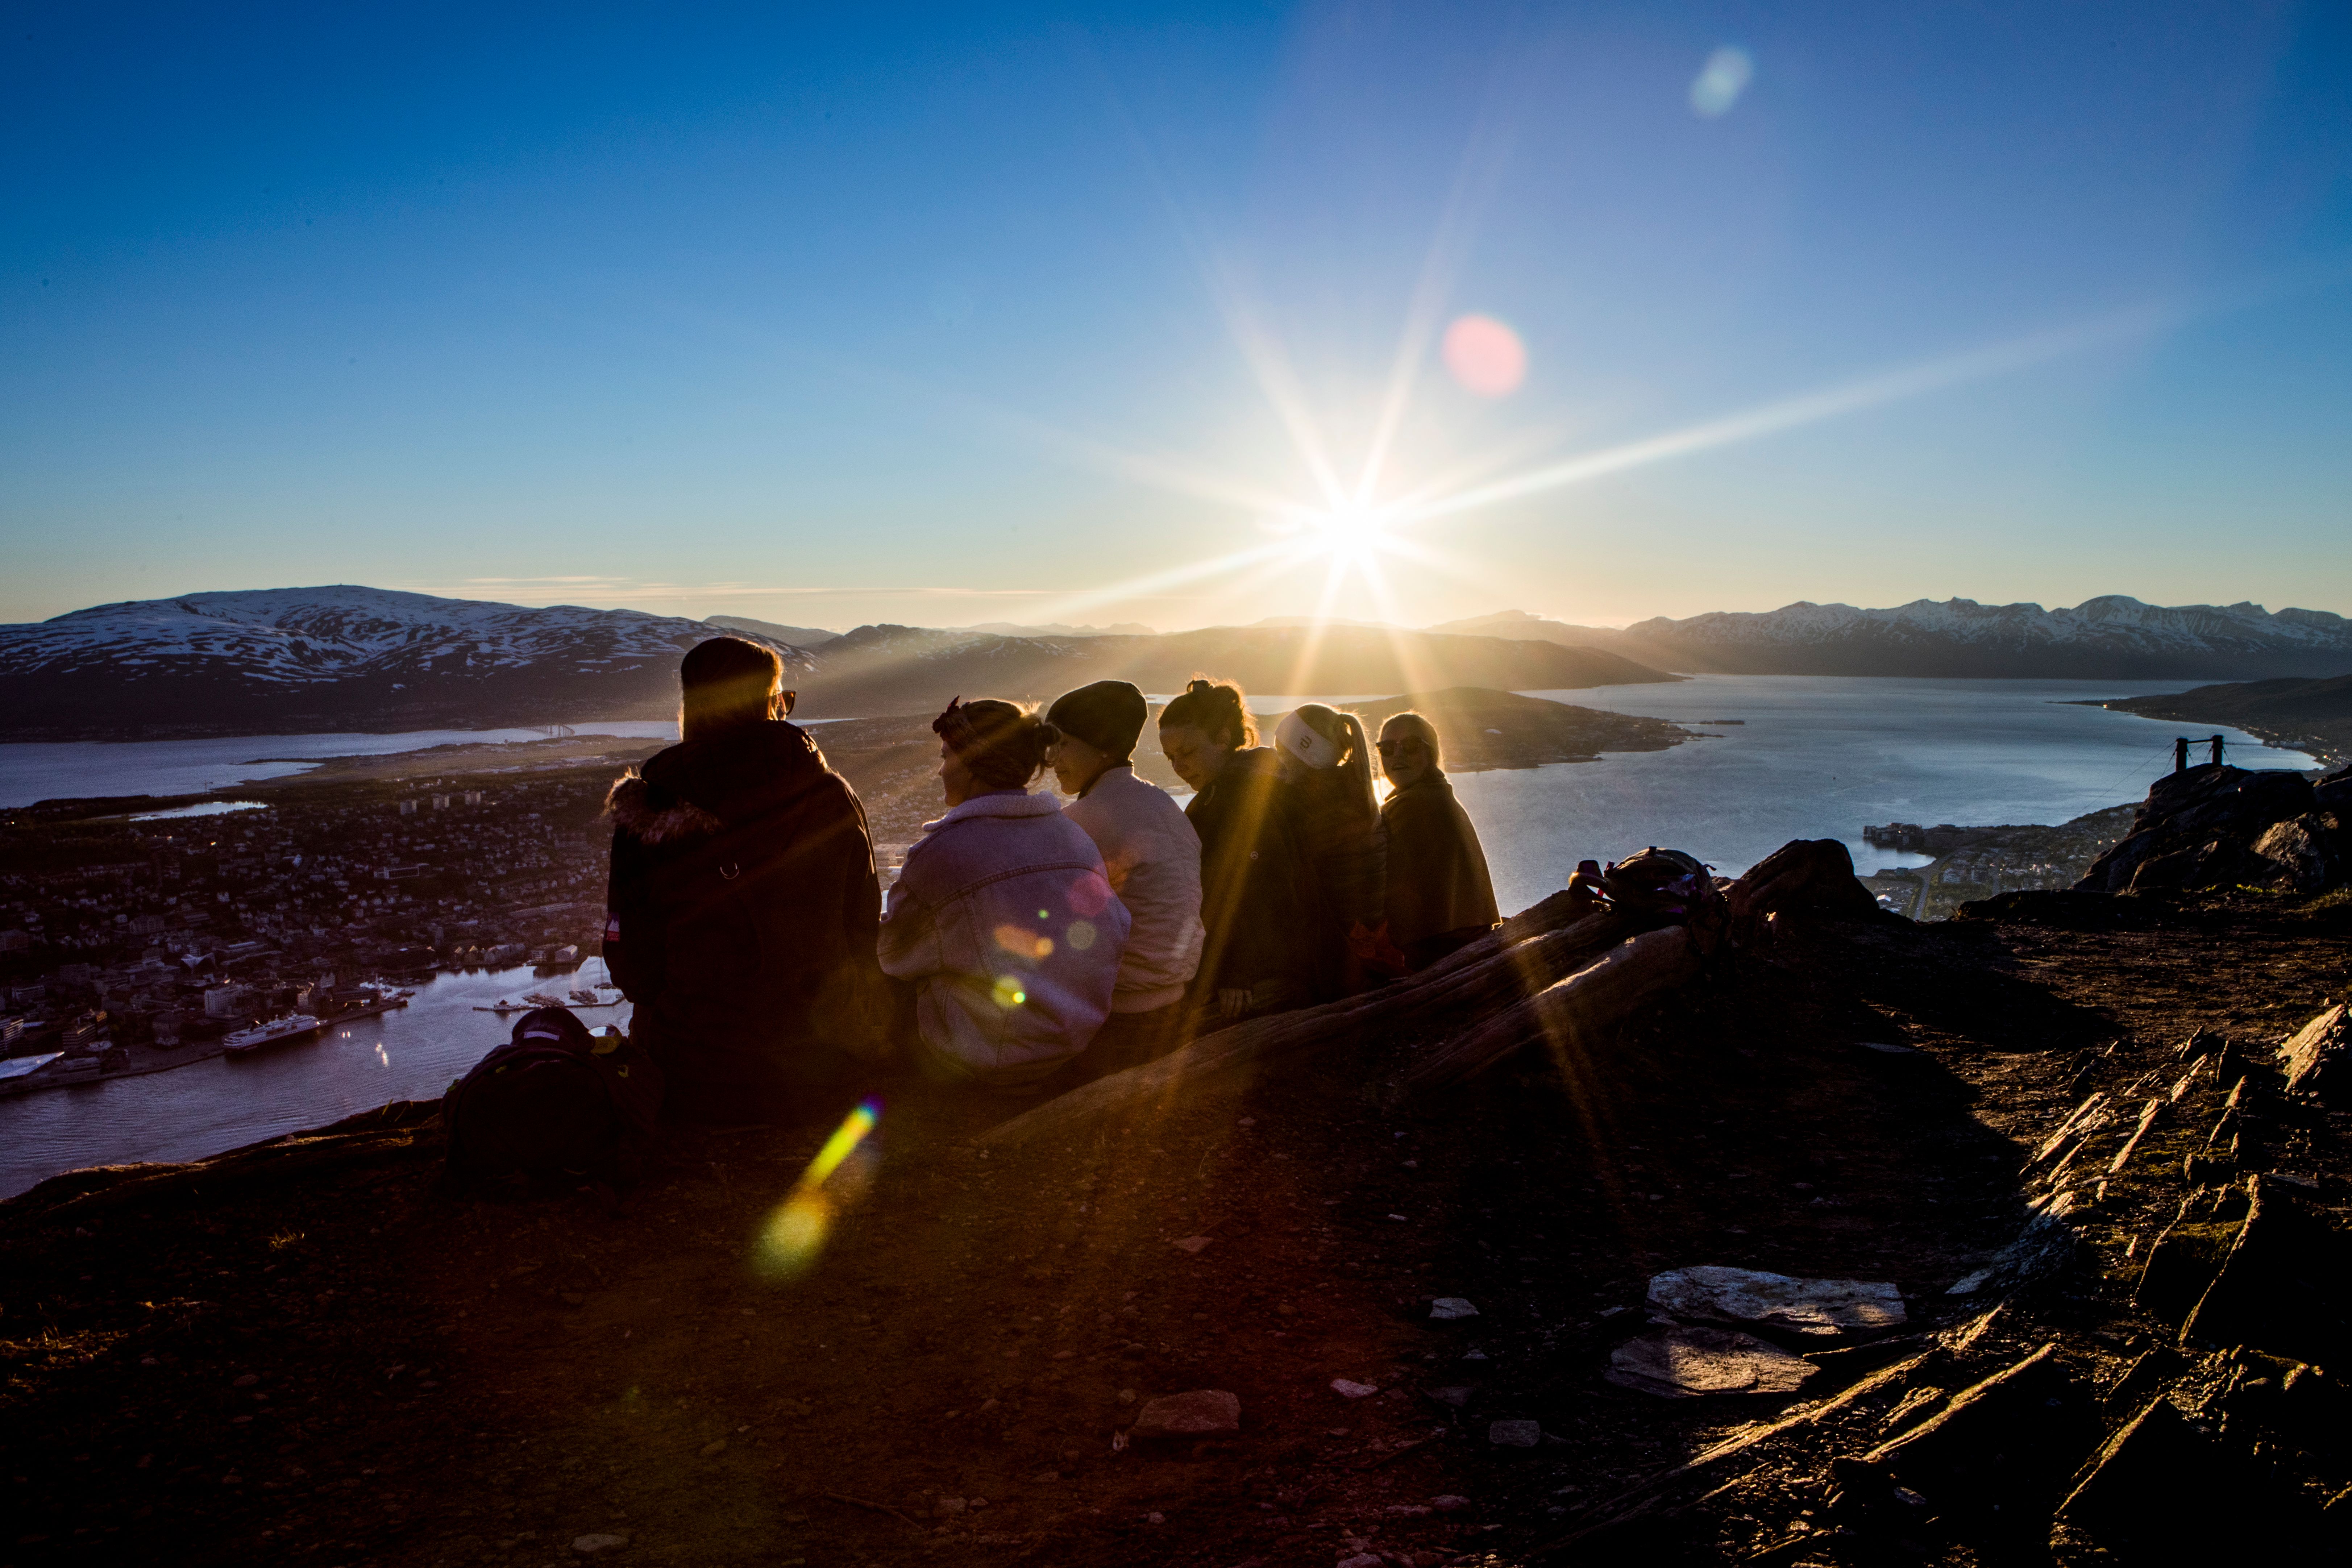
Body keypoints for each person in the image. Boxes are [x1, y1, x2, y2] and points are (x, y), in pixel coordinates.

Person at [603, 636, 889, 1124]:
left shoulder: (650, 807)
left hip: (694, 1074)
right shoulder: (829, 795)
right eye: (781, 699)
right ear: (768, 703)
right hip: (821, 1067)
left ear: (693, 705)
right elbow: (862, 926)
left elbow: (631, 956)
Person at [878, 698, 1132, 1087]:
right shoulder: (1074, 837)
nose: (941, 769)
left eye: (947, 757)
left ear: (973, 766)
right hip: (1071, 1041)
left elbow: (893, 956)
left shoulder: (942, 852)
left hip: (984, 1053)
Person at [1044, 679, 1205, 1077]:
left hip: (1122, 1016)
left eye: (1064, 744)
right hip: (1173, 999)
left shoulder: (1084, 820)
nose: (1053, 759)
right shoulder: (1161, 803)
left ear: (1102, 747)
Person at [1158, 677, 1323, 1026]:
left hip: (1258, 971)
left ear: (1222, 739)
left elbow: (1259, 889)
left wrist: (1234, 973)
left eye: (1187, 753)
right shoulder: (1256, 779)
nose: (1178, 766)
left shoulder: (1237, 799)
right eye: (1171, 757)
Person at [1271, 702, 1388, 994]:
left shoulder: (1303, 808)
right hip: (1369, 943)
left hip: (1335, 958)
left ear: (1301, 754)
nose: (1276, 760)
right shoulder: (1356, 795)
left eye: (1281, 751)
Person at [1376, 711, 1500, 970]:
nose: (1397, 755)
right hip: (1460, 944)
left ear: (1430, 754)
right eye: (1387, 748)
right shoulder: (1438, 796)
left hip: (1438, 954)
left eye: (1410, 746)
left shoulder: (1413, 805)